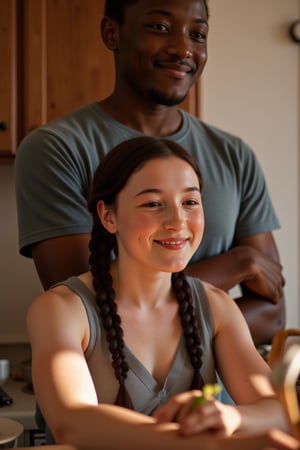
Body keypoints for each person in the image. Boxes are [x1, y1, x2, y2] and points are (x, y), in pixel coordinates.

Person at [15, 0, 285, 346]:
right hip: (110, 398)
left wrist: (152, 323)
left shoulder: (234, 155)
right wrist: (237, 264)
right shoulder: (55, 148)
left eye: (198, 34)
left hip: (218, 399)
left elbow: (272, 316)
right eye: (159, 27)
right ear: (111, 33)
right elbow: (90, 312)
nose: (183, 49)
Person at [26, 136, 295, 450]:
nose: (178, 221)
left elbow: (277, 408)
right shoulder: (60, 309)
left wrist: (230, 418)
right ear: (108, 216)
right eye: (153, 204)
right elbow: (73, 424)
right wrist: (199, 442)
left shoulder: (216, 306)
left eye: (190, 202)